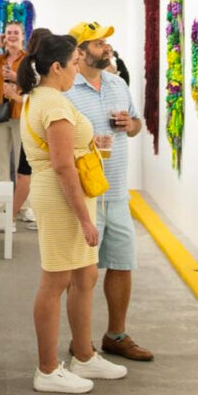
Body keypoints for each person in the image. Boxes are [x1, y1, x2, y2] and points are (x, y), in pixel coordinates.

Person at [18, 34, 128, 394]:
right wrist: (84, 218)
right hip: (63, 199)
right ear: (57, 67)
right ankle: (48, 369)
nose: (76, 69)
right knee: (56, 281)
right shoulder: (53, 104)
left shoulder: (44, 98)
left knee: (86, 274)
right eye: (73, 63)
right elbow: (64, 167)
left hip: (68, 195)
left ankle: (84, 354)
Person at [66, 21, 153, 362]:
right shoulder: (65, 90)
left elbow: (135, 126)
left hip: (116, 192)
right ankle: (81, 343)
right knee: (83, 272)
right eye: (99, 42)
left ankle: (116, 334)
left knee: (121, 264)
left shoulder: (118, 84)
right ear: (80, 52)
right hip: (84, 195)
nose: (107, 47)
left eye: (106, 42)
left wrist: (129, 125)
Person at [0, 21, 34, 223]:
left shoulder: (28, 60)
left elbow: (34, 85)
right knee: (0, 161)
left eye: (16, 33)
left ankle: (25, 207)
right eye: (8, 33)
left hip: (21, 114)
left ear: (23, 36)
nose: (12, 36)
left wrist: (16, 77)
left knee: (23, 166)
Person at [11, 27, 52, 230]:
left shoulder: (34, 66)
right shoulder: (48, 67)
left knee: (25, 174)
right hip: (43, 125)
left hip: (34, 126)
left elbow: (33, 100)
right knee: (36, 173)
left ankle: (10, 216)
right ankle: (32, 214)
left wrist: (14, 96)